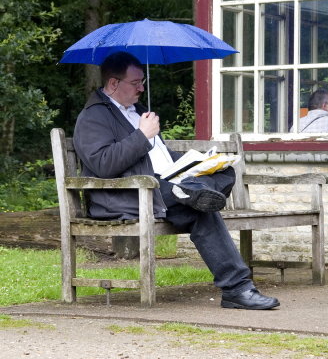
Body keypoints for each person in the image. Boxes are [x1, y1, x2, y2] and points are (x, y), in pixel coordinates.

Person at [73, 51, 280, 310]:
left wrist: (198, 161)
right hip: (127, 196)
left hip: (164, 187)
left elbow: (158, 156)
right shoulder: (93, 116)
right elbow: (103, 165)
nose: (141, 88)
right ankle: (237, 288)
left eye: (143, 81)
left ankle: (196, 194)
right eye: (135, 83)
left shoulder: (137, 110)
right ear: (113, 83)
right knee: (196, 204)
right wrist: (141, 135)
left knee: (222, 173)